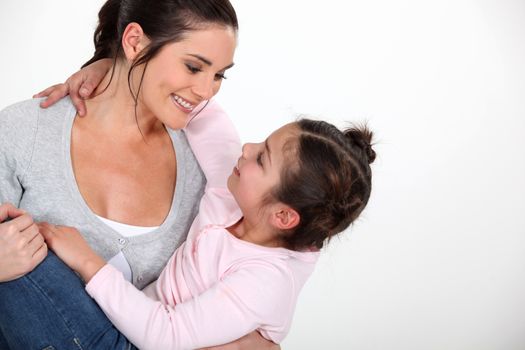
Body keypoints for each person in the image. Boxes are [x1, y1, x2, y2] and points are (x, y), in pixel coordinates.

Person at [0, 0, 278, 348]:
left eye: (219, 75)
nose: (207, 92)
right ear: (134, 42)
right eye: (193, 67)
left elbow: (246, 281)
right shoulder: (26, 130)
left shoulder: (210, 171)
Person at [40, 117, 376, 350]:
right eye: (261, 141)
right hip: (128, 325)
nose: (247, 147)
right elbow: (200, 109)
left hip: (143, 341)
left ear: (284, 215)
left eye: (262, 158)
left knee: (27, 262)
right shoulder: (232, 193)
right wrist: (103, 66)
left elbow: (164, 334)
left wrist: (88, 262)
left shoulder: (265, 281)